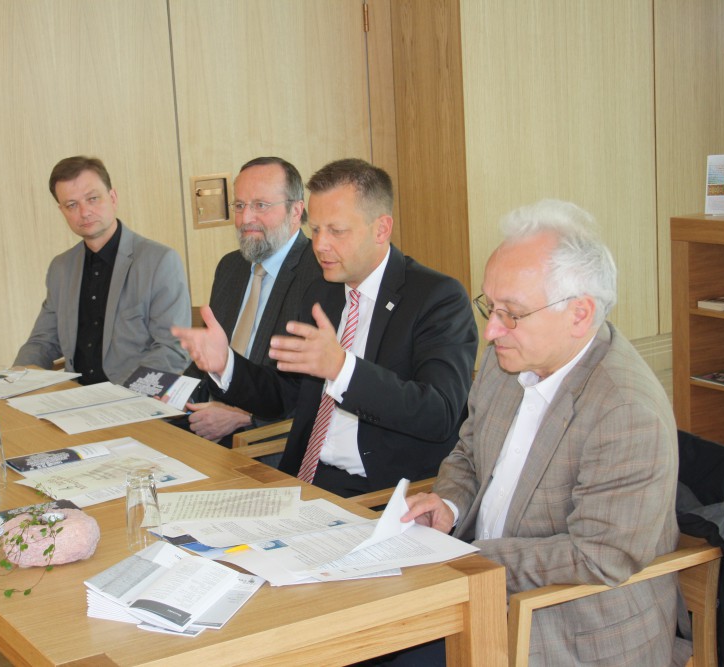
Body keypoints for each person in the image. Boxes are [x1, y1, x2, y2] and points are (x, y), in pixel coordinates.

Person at [402, 200, 679, 666]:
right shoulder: (507, 359)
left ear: (579, 314)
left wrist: (470, 559)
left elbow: (597, 556)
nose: (491, 331)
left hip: (573, 627)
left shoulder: (624, 410)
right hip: (476, 585)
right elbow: (468, 453)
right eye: (490, 307)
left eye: (512, 313)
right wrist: (449, 505)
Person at [173, 158, 478, 497]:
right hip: (303, 479)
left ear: (381, 229)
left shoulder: (436, 298)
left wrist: (343, 369)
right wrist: (227, 364)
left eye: (336, 231)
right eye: (316, 229)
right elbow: (284, 395)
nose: (319, 245)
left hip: (378, 492)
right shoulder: (323, 292)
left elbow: (439, 413)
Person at [14, 156, 190, 384]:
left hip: (134, 395)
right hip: (75, 395)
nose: (84, 212)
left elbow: (172, 349)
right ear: (62, 211)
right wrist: (15, 380)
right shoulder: (61, 268)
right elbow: (42, 343)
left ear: (113, 197)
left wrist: (128, 396)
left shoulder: (159, 261)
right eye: (72, 205)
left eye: (92, 199)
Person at [185, 156, 322, 444]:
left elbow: (314, 388)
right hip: (207, 423)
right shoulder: (230, 267)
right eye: (239, 205)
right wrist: (171, 392)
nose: (245, 218)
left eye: (260, 205)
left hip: (268, 441)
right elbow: (212, 358)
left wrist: (244, 417)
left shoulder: (319, 273)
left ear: (296, 211)